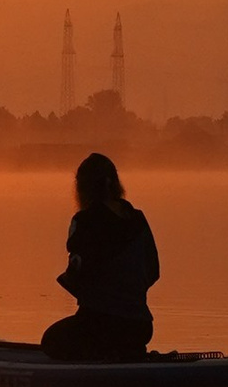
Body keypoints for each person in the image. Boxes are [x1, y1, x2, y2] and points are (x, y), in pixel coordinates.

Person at [40, 150, 160, 358]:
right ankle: (125, 352)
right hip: (141, 327)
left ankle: (104, 355)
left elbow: (78, 277)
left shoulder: (84, 221)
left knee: (50, 340)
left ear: (82, 187)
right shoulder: (138, 219)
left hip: (102, 325)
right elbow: (153, 272)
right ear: (114, 183)